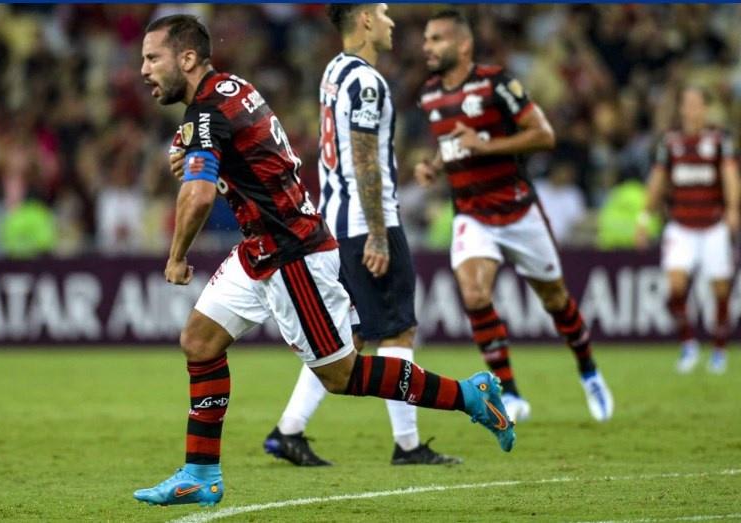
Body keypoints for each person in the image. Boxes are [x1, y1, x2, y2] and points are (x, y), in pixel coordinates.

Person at [133, 14, 515, 508]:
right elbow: (231, 150)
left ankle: (470, 395)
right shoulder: (229, 89)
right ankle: (200, 473)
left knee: (342, 376)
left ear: (186, 59)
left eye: (152, 58)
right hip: (260, 250)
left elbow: (201, 194)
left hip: (293, 254)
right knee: (200, 342)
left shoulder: (205, 112)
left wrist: (177, 255)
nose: (143, 69)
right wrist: (193, 149)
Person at [263, 3, 460, 468]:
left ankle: (287, 431)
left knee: (346, 341)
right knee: (397, 330)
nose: (393, 23)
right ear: (367, 19)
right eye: (385, 13)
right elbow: (366, 160)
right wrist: (376, 233)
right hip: (366, 223)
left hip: (334, 220)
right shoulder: (368, 82)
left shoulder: (334, 71)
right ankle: (407, 445)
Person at [413, 10, 613, 423]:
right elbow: (454, 144)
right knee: (473, 295)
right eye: (427, 39)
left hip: (518, 210)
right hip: (471, 214)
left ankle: (589, 372)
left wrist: (484, 146)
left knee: (556, 301)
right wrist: (433, 165)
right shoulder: (430, 95)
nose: (426, 47)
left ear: (463, 45)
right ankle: (512, 392)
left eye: (436, 39)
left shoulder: (496, 83)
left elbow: (544, 135)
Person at [636, 86, 739, 375]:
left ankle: (719, 349)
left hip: (713, 225)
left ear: (705, 109)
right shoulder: (670, 143)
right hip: (680, 225)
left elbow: (730, 176)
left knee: (720, 290)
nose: (691, 110)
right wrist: (644, 219)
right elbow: (656, 182)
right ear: (681, 109)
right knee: (676, 286)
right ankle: (688, 344)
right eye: (687, 104)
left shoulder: (720, 140)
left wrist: (733, 209)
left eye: (696, 104)